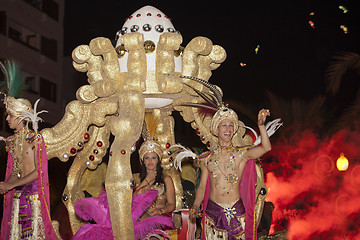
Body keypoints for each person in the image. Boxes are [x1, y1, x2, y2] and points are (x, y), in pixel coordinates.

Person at [191, 106, 271, 240]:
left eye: (231, 125)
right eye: (224, 125)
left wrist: (261, 125)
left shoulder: (241, 155)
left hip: (236, 212)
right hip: (213, 213)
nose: (228, 129)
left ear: (234, 130)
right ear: (217, 129)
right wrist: (195, 204)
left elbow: (266, 147)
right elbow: (202, 186)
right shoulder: (207, 159)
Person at [0, 60, 59, 239]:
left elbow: (38, 172)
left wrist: (11, 184)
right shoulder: (12, 141)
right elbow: (17, 171)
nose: (7, 120)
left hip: (33, 198)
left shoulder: (35, 138)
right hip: (18, 197)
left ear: (19, 116)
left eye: (10, 115)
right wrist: (6, 184)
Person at [73, 139, 176, 240]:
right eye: (146, 158)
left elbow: (172, 204)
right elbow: (130, 200)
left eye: (153, 158)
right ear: (142, 161)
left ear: (158, 159)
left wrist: (160, 211)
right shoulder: (135, 179)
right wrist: (146, 181)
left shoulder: (166, 179)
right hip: (136, 222)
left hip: (158, 220)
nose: (150, 161)